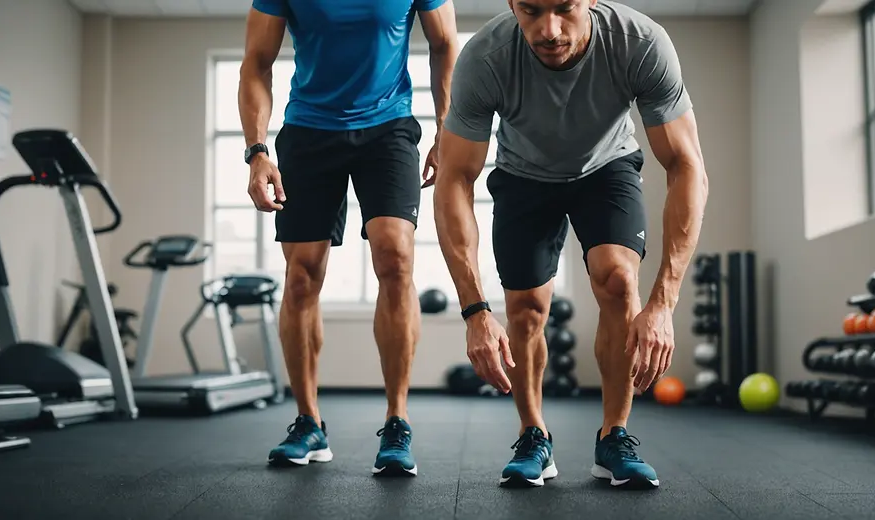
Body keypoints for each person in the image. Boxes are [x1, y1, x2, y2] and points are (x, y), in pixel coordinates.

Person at [433, 0, 708, 489]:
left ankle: (614, 436)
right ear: (512, 4)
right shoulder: (486, 58)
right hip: (522, 174)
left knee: (619, 280)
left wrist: (663, 301)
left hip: (607, 167)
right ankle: (533, 435)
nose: (549, 29)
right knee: (525, 310)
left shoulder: (639, 44)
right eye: (532, 11)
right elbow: (454, 179)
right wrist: (474, 310)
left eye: (565, 8)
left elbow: (687, 168)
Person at [239, 0, 459, 476]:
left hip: (389, 128)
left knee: (395, 258)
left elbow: (443, 44)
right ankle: (308, 422)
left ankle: (397, 421)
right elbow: (257, 61)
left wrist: (447, 130)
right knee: (301, 277)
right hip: (308, 132)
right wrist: (257, 152)